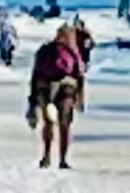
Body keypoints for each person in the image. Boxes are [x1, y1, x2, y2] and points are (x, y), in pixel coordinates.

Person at [26, 19, 89, 169]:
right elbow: (79, 75)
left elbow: (35, 74)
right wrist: (80, 98)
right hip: (66, 88)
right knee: (64, 125)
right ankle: (62, 159)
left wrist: (32, 100)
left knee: (49, 123)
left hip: (45, 88)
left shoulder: (45, 50)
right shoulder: (72, 52)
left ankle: (46, 156)